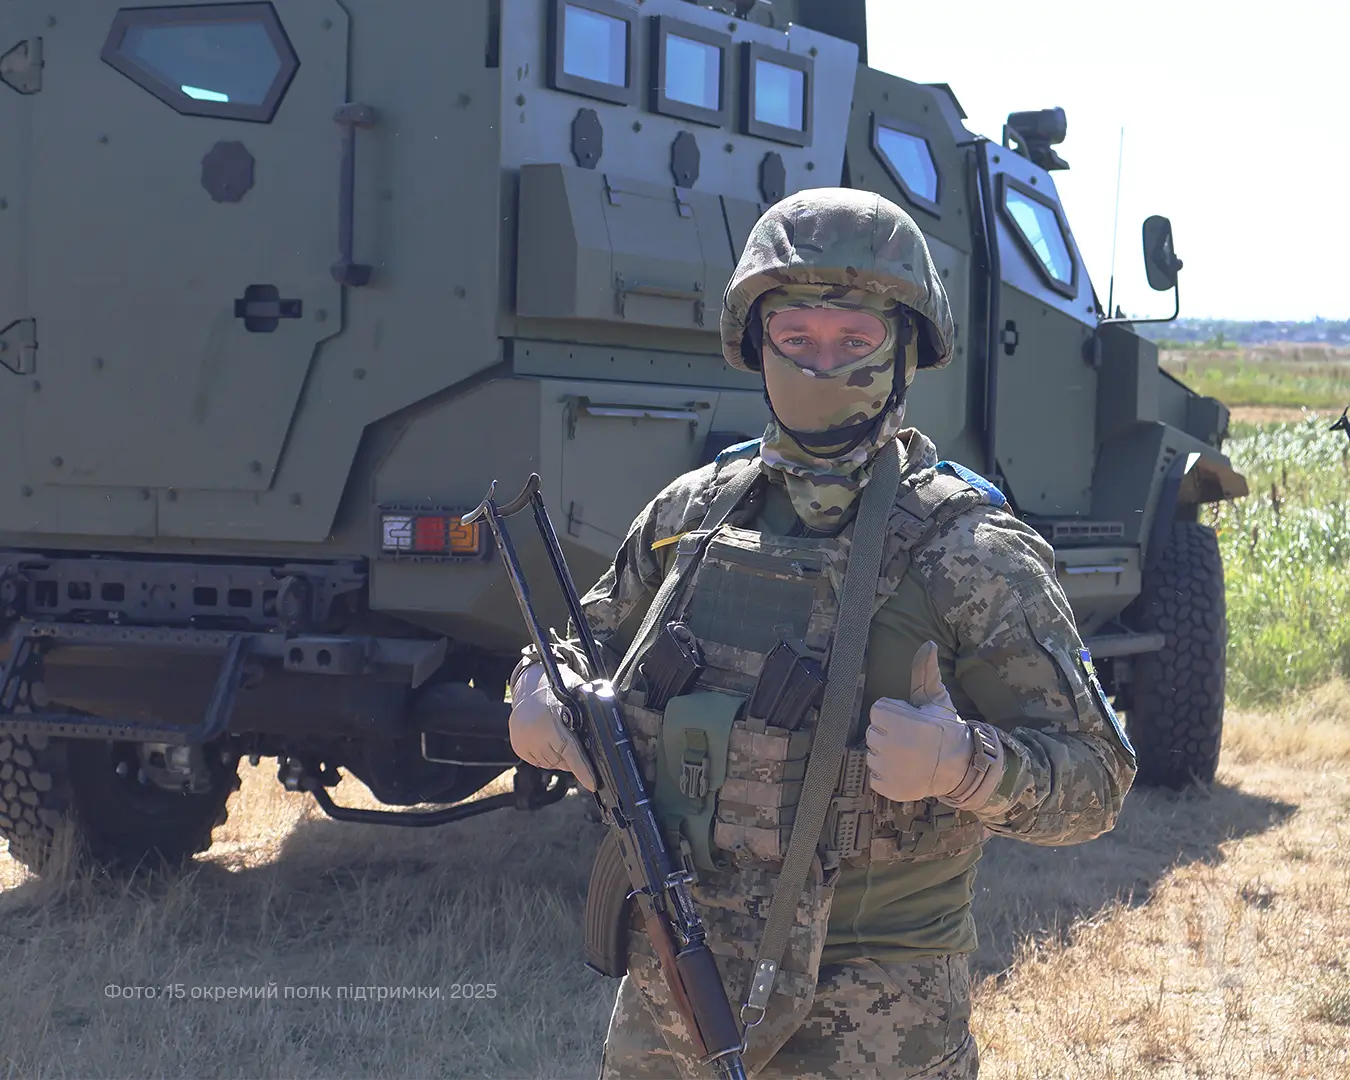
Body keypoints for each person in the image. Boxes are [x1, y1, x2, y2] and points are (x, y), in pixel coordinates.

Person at [508, 188, 1137, 1079]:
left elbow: (1098, 777)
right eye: (795, 338)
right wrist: (538, 689)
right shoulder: (693, 513)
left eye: (855, 341)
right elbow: (588, 641)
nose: (820, 363)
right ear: (755, 344)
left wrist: (966, 765)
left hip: (874, 1012)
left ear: (906, 350)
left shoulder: (968, 550)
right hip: (673, 982)